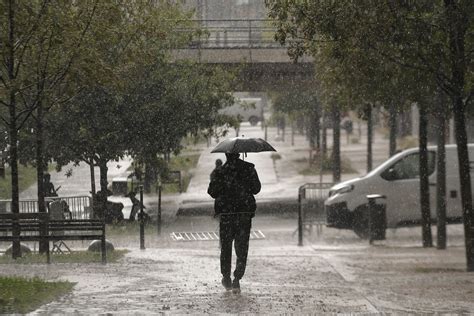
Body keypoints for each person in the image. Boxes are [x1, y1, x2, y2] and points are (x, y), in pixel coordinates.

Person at [207, 153, 261, 294]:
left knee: (226, 247)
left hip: (226, 215)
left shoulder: (220, 171)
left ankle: (226, 277)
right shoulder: (249, 169)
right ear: (239, 154)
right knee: (242, 247)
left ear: (226, 154)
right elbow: (256, 189)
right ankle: (237, 278)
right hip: (244, 214)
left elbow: (212, 192)